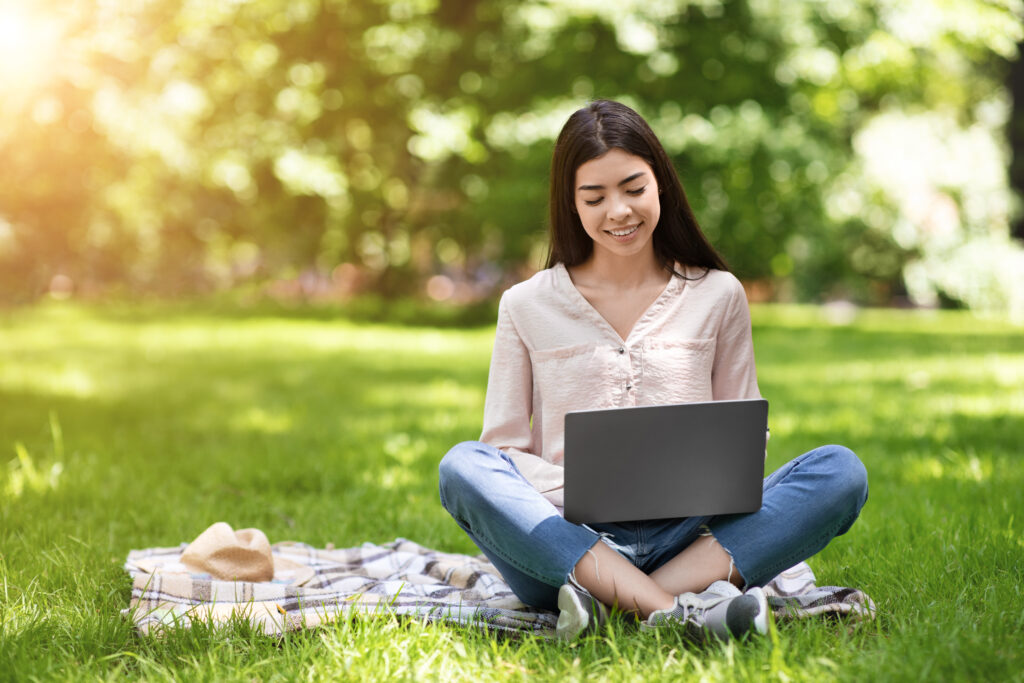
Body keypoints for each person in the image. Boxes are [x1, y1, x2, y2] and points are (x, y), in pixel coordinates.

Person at [438, 99, 868, 642]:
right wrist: (579, 487)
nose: (618, 211)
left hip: (696, 537)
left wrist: (705, 483)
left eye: (633, 189)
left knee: (840, 472)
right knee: (462, 466)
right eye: (594, 197)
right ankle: (680, 611)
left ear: (661, 183)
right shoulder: (525, 305)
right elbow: (502, 451)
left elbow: (744, 432)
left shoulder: (718, 294)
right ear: (571, 204)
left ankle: (614, 606)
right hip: (566, 540)